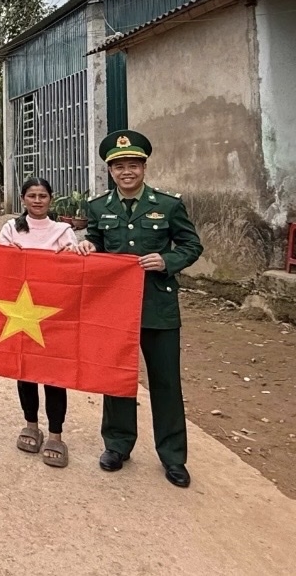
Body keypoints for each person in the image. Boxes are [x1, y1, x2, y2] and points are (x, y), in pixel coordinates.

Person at [76, 129, 204, 488]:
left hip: (158, 306)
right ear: (110, 171)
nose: (126, 172)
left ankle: (173, 457)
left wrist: (167, 260)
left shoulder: (167, 205)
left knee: (165, 383)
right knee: (117, 377)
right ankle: (117, 445)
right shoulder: (99, 207)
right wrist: (89, 246)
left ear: (144, 167)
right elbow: (98, 241)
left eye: (133, 165)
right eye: (119, 167)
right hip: (115, 308)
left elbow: (191, 246)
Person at [0, 177, 80, 467]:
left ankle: (56, 435)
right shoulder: (11, 228)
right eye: (31, 195)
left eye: (42, 195)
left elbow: (75, 269)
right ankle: (31, 425)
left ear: (51, 199)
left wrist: (75, 254)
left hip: (55, 312)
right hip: (22, 311)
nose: (37, 200)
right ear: (23, 199)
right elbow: (0, 265)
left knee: (55, 375)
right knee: (26, 371)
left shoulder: (64, 230)